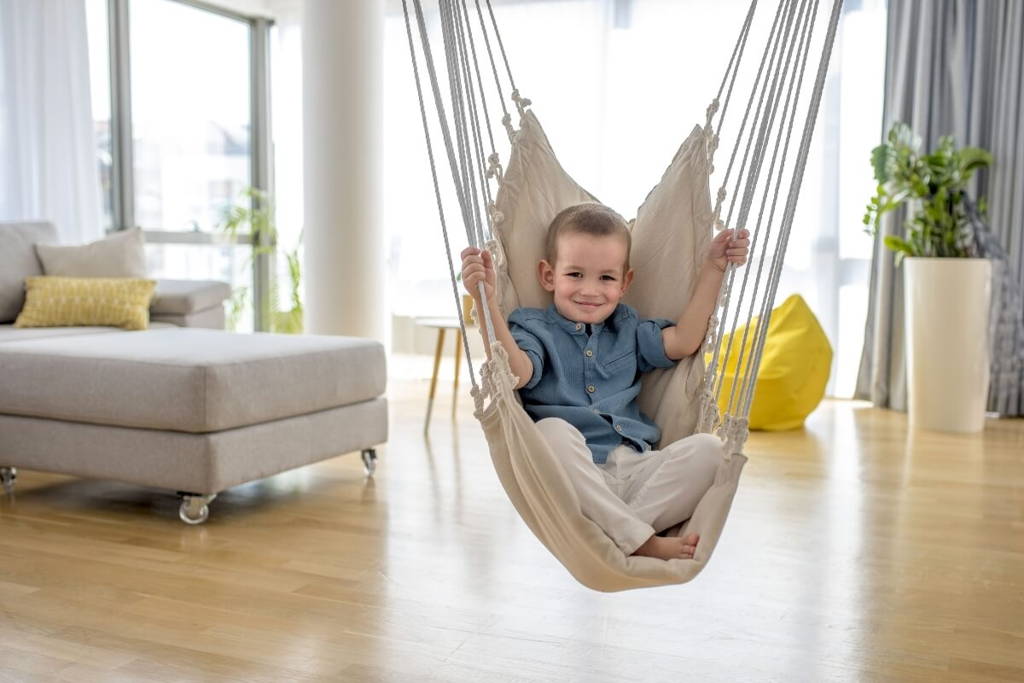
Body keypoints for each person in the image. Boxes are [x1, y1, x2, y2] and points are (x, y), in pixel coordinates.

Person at [461, 202, 750, 560]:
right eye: (575, 274)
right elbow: (515, 373)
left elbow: (684, 341)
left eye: (606, 278)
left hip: (637, 470)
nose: (590, 290)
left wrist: (715, 269)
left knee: (712, 451)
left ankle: (616, 531)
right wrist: (486, 303)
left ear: (625, 283)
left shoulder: (628, 328)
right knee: (550, 432)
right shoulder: (533, 327)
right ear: (548, 275)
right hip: (574, 472)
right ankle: (639, 540)